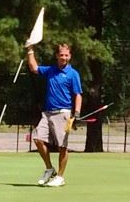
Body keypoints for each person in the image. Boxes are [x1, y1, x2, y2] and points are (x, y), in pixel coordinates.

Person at [26, 43, 82, 187]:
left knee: (62, 146)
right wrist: (30, 50)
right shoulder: (50, 70)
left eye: (66, 55)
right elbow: (34, 68)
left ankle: (61, 177)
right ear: (57, 55)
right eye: (61, 55)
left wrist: (76, 113)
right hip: (47, 113)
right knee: (38, 139)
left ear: (69, 56)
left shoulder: (73, 74)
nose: (64, 57)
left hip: (63, 113)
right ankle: (50, 169)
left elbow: (78, 95)